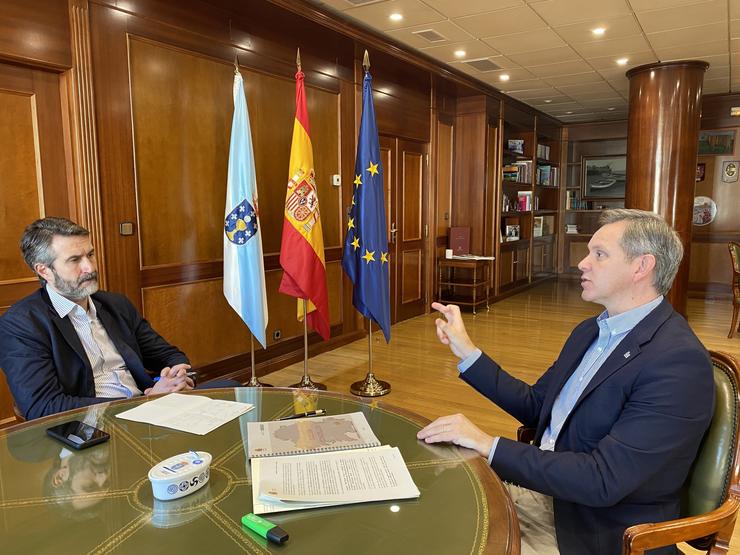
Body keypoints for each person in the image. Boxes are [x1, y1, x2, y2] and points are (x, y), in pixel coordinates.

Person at [418, 209, 714, 555]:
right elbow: (537, 406)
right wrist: (467, 351)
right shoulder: (591, 331)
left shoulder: (677, 362)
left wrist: (487, 443)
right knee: (432, 511)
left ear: (641, 267)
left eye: (599, 254)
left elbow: (602, 481)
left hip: (597, 532)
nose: (582, 263)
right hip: (549, 494)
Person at [0, 217, 196, 420]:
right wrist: (143, 405)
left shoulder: (116, 304)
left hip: (152, 413)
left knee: (228, 391)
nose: (90, 268)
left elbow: (169, 355)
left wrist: (176, 377)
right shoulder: (20, 325)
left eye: (90, 255)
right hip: (92, 428)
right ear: (44, 270)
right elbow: (44, 406)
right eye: (75, 260)